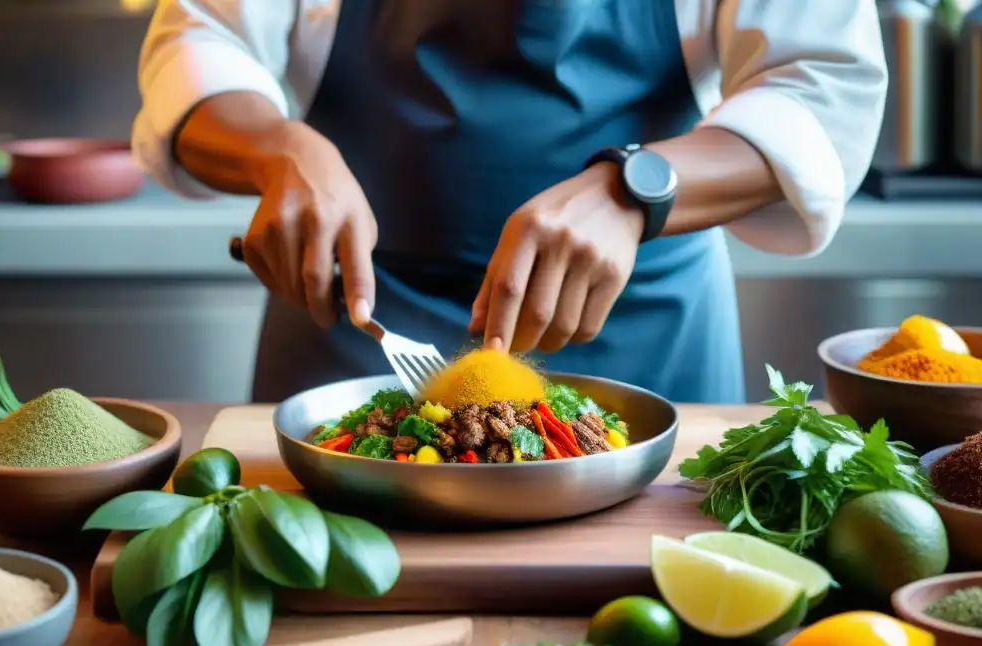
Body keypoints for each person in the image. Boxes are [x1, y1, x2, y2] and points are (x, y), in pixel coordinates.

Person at [132, 0, 887, 404]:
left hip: (642, 332)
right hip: (355, 322)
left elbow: (820, 86)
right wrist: (279, 150)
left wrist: (635, 190)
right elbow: (201, 41)